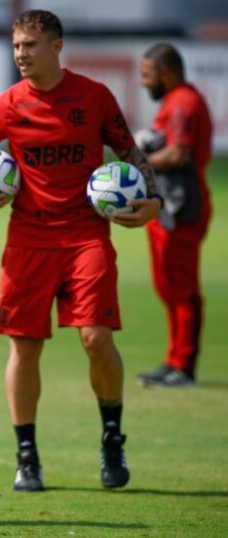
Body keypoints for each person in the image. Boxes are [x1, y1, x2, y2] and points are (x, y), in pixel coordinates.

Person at [0, 10, 162, 492]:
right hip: (28, 240)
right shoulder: (7, 105)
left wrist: (154, 201)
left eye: (31, 45)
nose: (21, 53)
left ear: (57, 47)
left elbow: (130, 152)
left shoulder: (94, 97)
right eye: (17, 45)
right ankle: (27, 455)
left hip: (87, 237)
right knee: (24, 346)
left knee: (96, 338)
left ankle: (111, 438)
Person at [135, 43, 213, 387]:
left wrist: (139, 160)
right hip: (171, 205)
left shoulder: (182, 102)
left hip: (182, 206)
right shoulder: (178, 100)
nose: (142, 82)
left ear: (166, 73)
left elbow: (178, 154)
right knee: (170, 286)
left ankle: (184, 366)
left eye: (147, 75)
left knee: (180, 288)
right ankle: (174, 361)